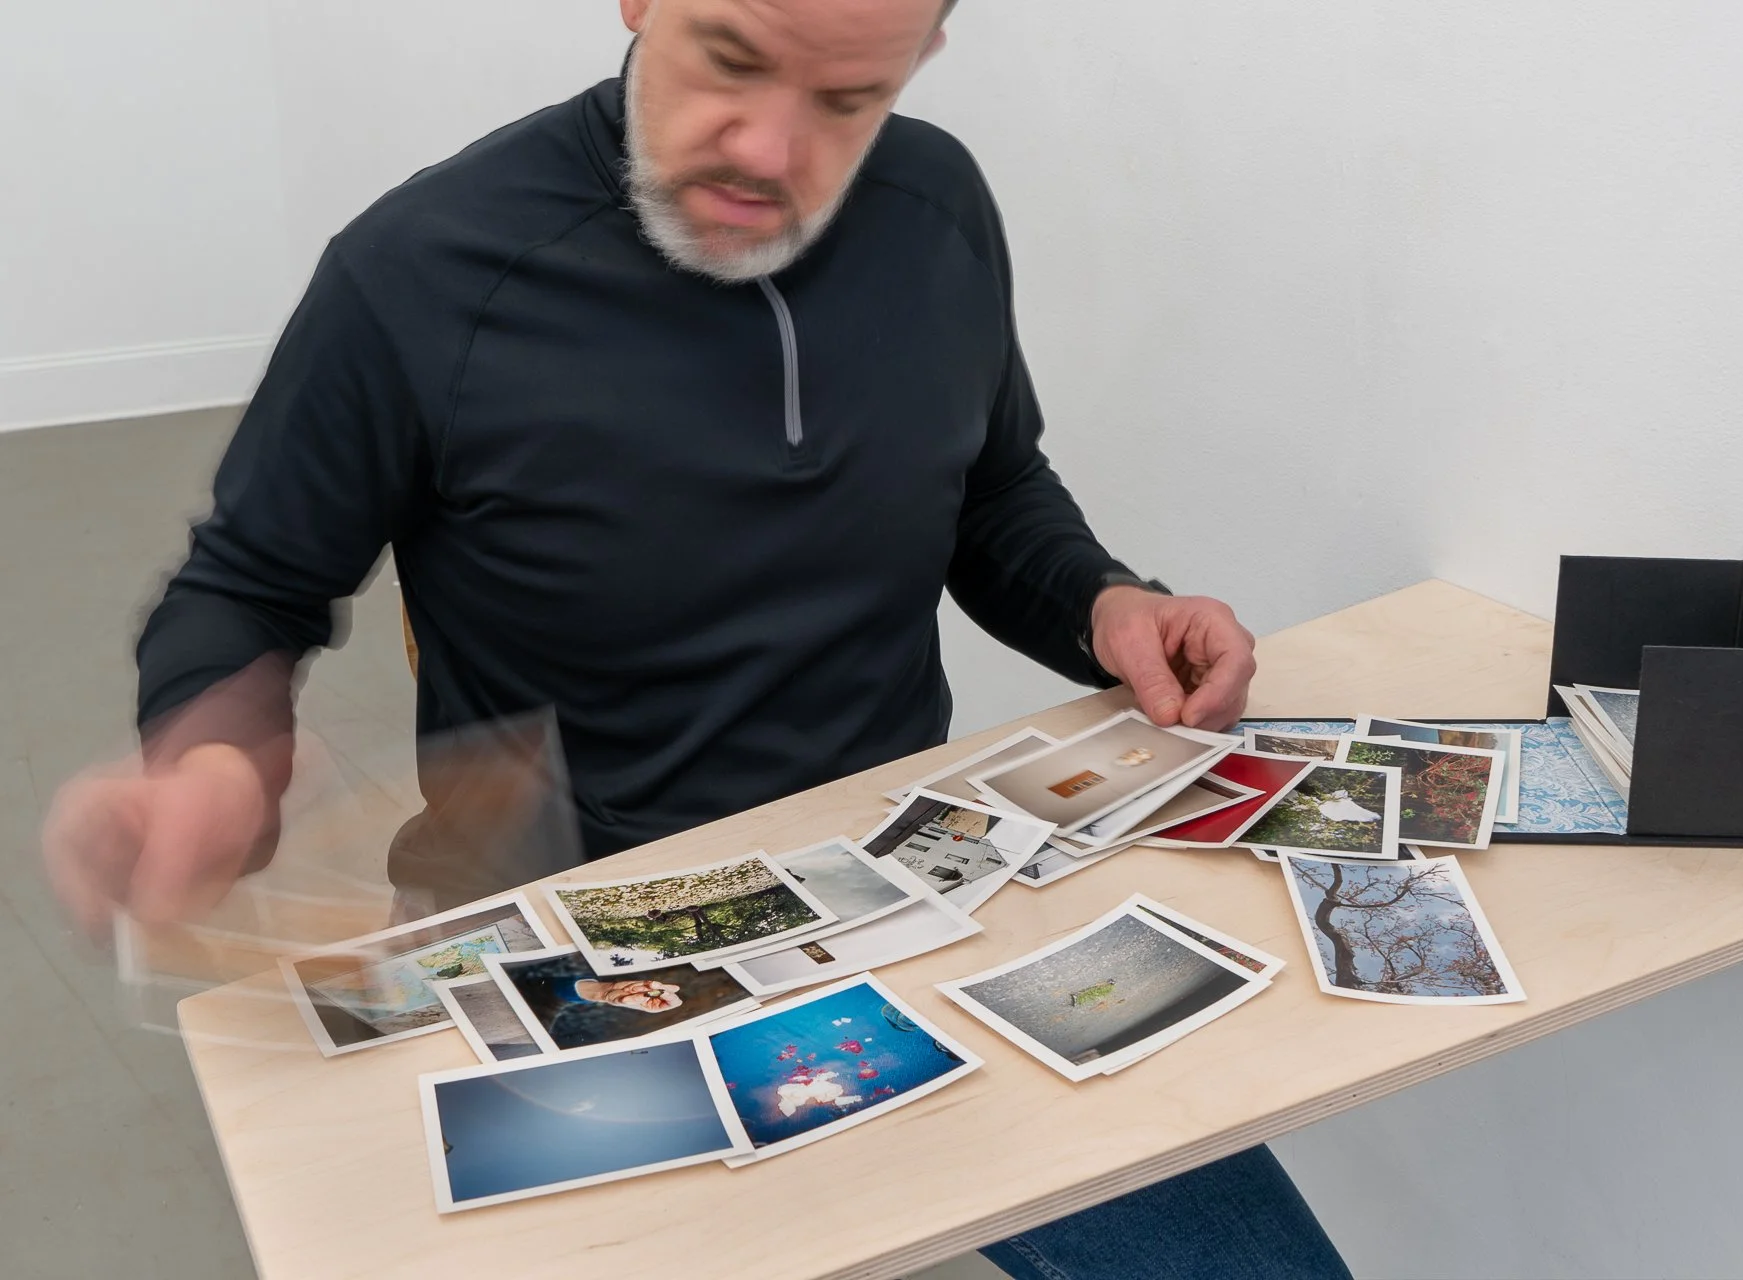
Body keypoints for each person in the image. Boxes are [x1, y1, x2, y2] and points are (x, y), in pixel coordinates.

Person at [43, 2, 1350, 1276]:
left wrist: (1103, 605)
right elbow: (251, 583)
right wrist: (215, 760)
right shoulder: (421, 272)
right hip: (561, 938)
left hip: (902, 889)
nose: (771, 152)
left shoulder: (937, 204)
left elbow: (994, 487)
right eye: (730, 59)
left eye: (850, 98)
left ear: (924, 52)